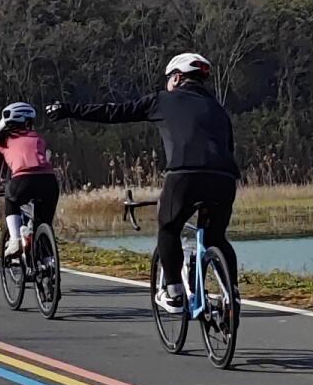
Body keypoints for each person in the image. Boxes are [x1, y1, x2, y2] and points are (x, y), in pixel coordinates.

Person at [50, 52, 239, 310]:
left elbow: (114, 112)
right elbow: (230, 147)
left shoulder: (163, 101)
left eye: (168, 79)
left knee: (169, 228)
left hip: (184, 175)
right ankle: (232, 294)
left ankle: (172, 290)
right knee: (216, 238)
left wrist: (69, 110)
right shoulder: (219, 110)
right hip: (225, 178)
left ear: (177, 78)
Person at [0, 104, 59, 259]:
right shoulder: (38, 138)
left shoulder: (2, 141)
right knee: (43, 223)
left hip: (23, 180)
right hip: (49, 181)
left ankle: (15, 240)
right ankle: (47, 262)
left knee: (11, 199)